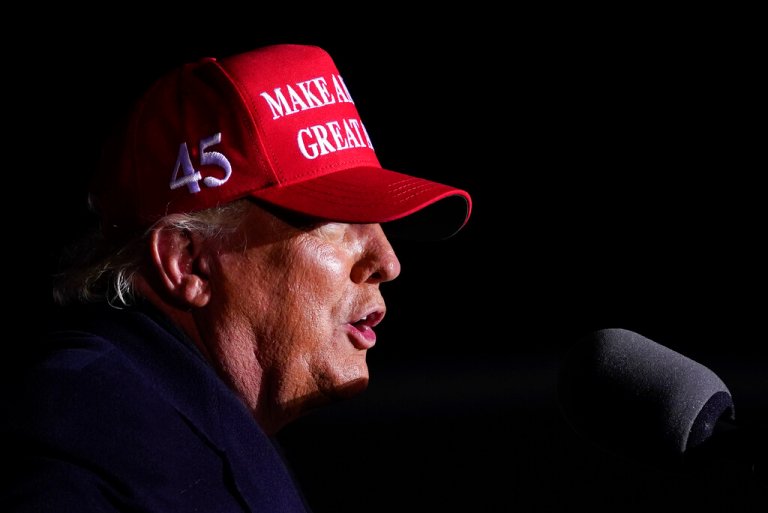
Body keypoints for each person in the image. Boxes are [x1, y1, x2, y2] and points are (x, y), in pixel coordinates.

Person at [2, 43, 471, 512]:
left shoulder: (155, 426)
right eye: (332, 219)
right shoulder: (88, 434)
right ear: (188, 262)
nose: (387, 261)